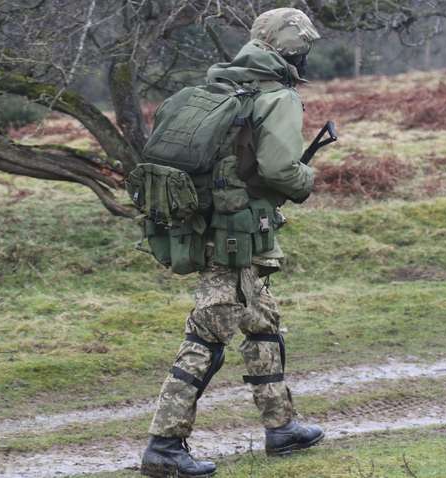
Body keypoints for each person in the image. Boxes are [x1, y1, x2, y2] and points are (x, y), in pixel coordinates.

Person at [140, 8, 324, 478]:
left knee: (262, 322)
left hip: (211, 226)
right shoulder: (277, 97)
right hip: (236, 235)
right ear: (294, 51)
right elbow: (282, 171)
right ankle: (165, 444)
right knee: (207, 336)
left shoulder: (214, 87)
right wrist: (308, 178)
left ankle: (281, 427)